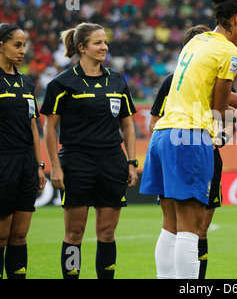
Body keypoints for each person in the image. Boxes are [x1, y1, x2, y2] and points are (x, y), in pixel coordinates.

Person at [140, 0, 237, 279]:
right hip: (190, 137)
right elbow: (219, 110)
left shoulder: (197, 41)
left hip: (163, 135)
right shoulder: (229, 52)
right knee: (191, 228)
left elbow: (217, 97)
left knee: (170, 225)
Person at [40, 23, 138, 279]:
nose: (104, 46)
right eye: (97, 42)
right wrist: (56, 166)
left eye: (105, 41)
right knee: (74, 234)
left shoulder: (117, 80)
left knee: (107, 234)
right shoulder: (61, 83)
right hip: (76, 163)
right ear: (82, 48)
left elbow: (127, 125)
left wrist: (131, 161)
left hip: (112, 163)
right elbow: (50, 129)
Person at [0, 23, 46, 279]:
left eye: (24, 45)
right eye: (17, 45)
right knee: (2, 236)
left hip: (27, 165)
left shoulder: (26, 82)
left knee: (19, 236)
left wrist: (39, 166)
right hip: (3, 162)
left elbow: (33, 127)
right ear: (1, 45)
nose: (22, 50)